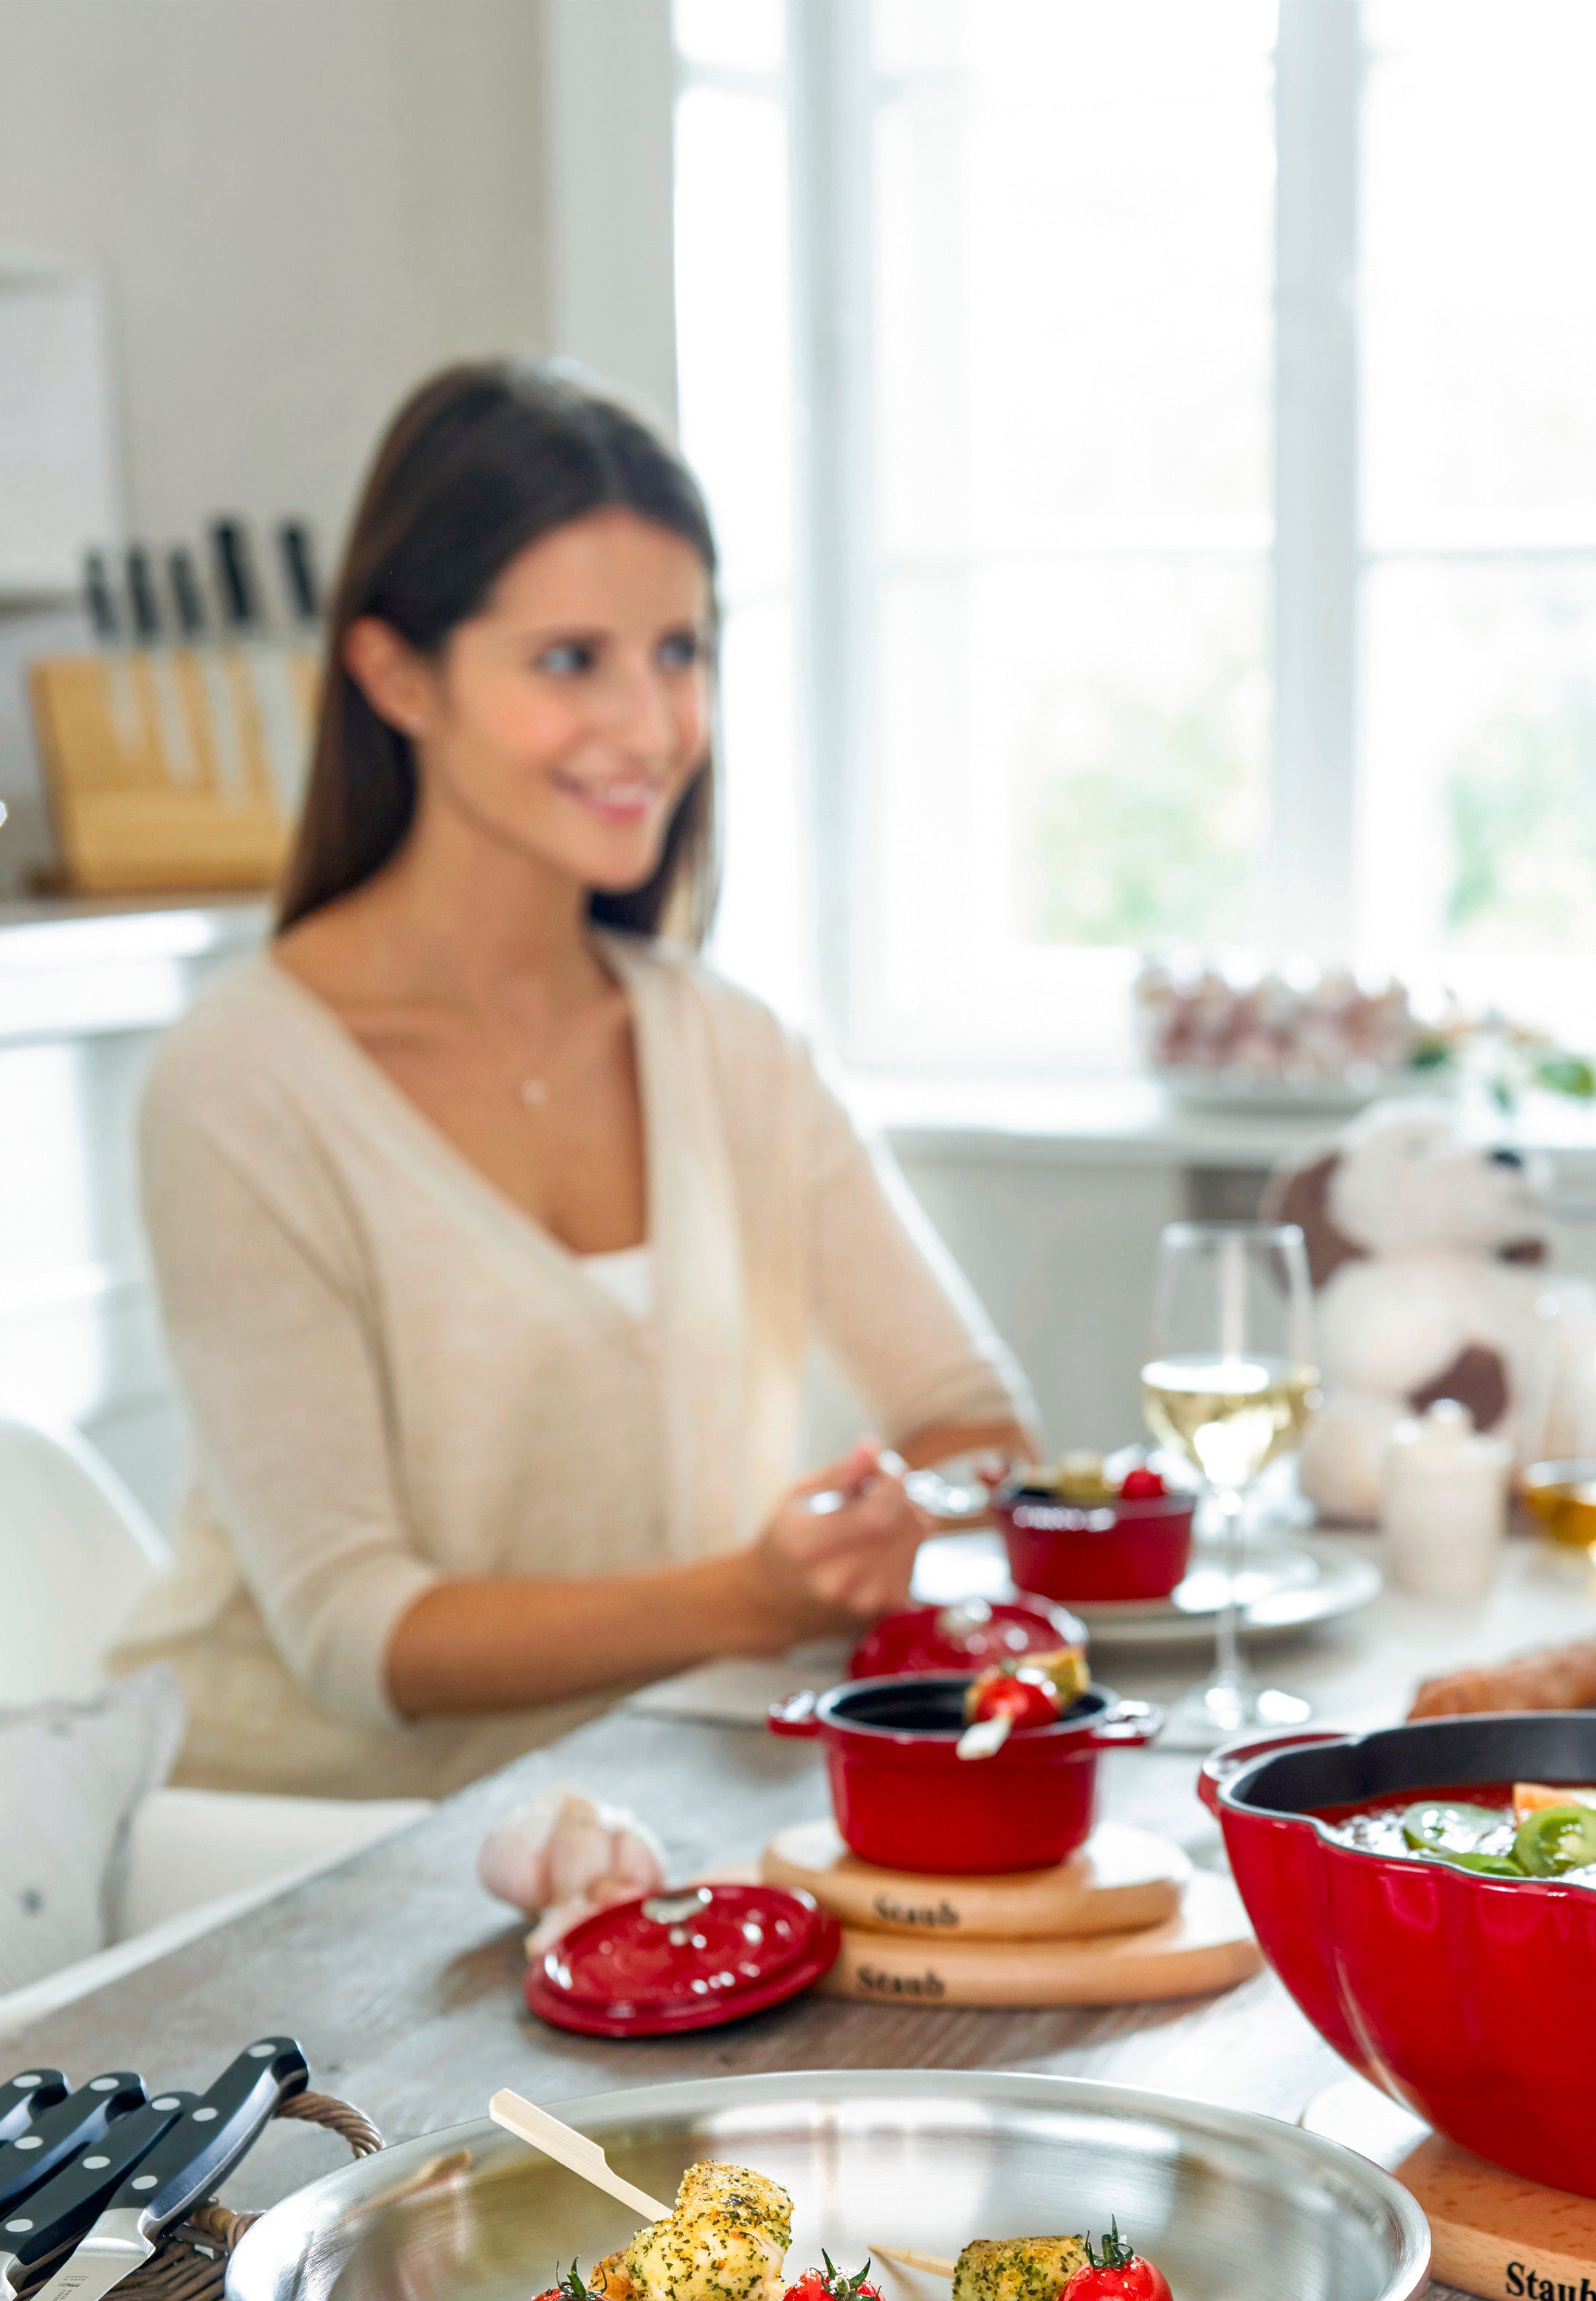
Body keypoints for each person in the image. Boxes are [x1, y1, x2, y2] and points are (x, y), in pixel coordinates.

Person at [116, 363, 1034, 1798]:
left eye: (679, 651)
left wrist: (897, 1512)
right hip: (306, 1863)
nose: (652, 724)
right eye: (569, 660)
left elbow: (971, 1417)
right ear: (395, 674)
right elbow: (359, 1631)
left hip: (652, 1818)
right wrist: (755, 1596)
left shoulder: (730, 1047)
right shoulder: (242, 1086)